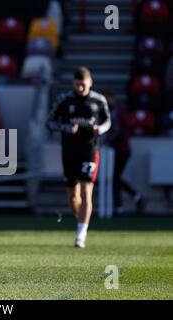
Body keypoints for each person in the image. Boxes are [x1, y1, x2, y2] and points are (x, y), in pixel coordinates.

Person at [47, 67, 111, 248]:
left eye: (83, 84)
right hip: (69, 151)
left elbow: (108, 121)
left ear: (90, 82)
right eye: (77, 85)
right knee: (73, 197)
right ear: (73, 84)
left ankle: (81, 234)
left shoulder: (99, 101)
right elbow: (49, 122)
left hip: (90, 150)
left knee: (86, 191)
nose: (80, 88)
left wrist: (101, 129)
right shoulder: (65, 100)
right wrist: (67, 128)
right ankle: (80, 219)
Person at [103, 89, 145, 215]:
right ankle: (135, 197)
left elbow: (117, 131)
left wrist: (107, 141)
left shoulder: (116, 111)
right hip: (122, 149)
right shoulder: (116, 111)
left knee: (114, 179)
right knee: (115, 178)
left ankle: (120, 206)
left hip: (121, 150)